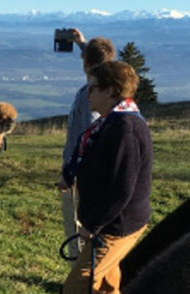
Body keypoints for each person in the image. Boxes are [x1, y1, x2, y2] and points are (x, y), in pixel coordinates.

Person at [61, 60, 153, 294]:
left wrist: (92, 225)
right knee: (105, 285)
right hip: (111, 223)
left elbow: (122, 188)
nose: (86, 93)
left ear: (111, 90)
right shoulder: (112, 121)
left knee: (77, 288)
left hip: (115, 226)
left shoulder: (125, 129)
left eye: (92, 87)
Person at [55, 30, 115, 263]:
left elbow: (88, 138)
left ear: (86, 63)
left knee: (76, 224)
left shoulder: (89, 96)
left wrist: (69, 175)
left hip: (80, 172)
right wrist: (82, 44)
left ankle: (78, 276)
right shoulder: (107, 88)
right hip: (89, 170)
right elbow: (100, 63)